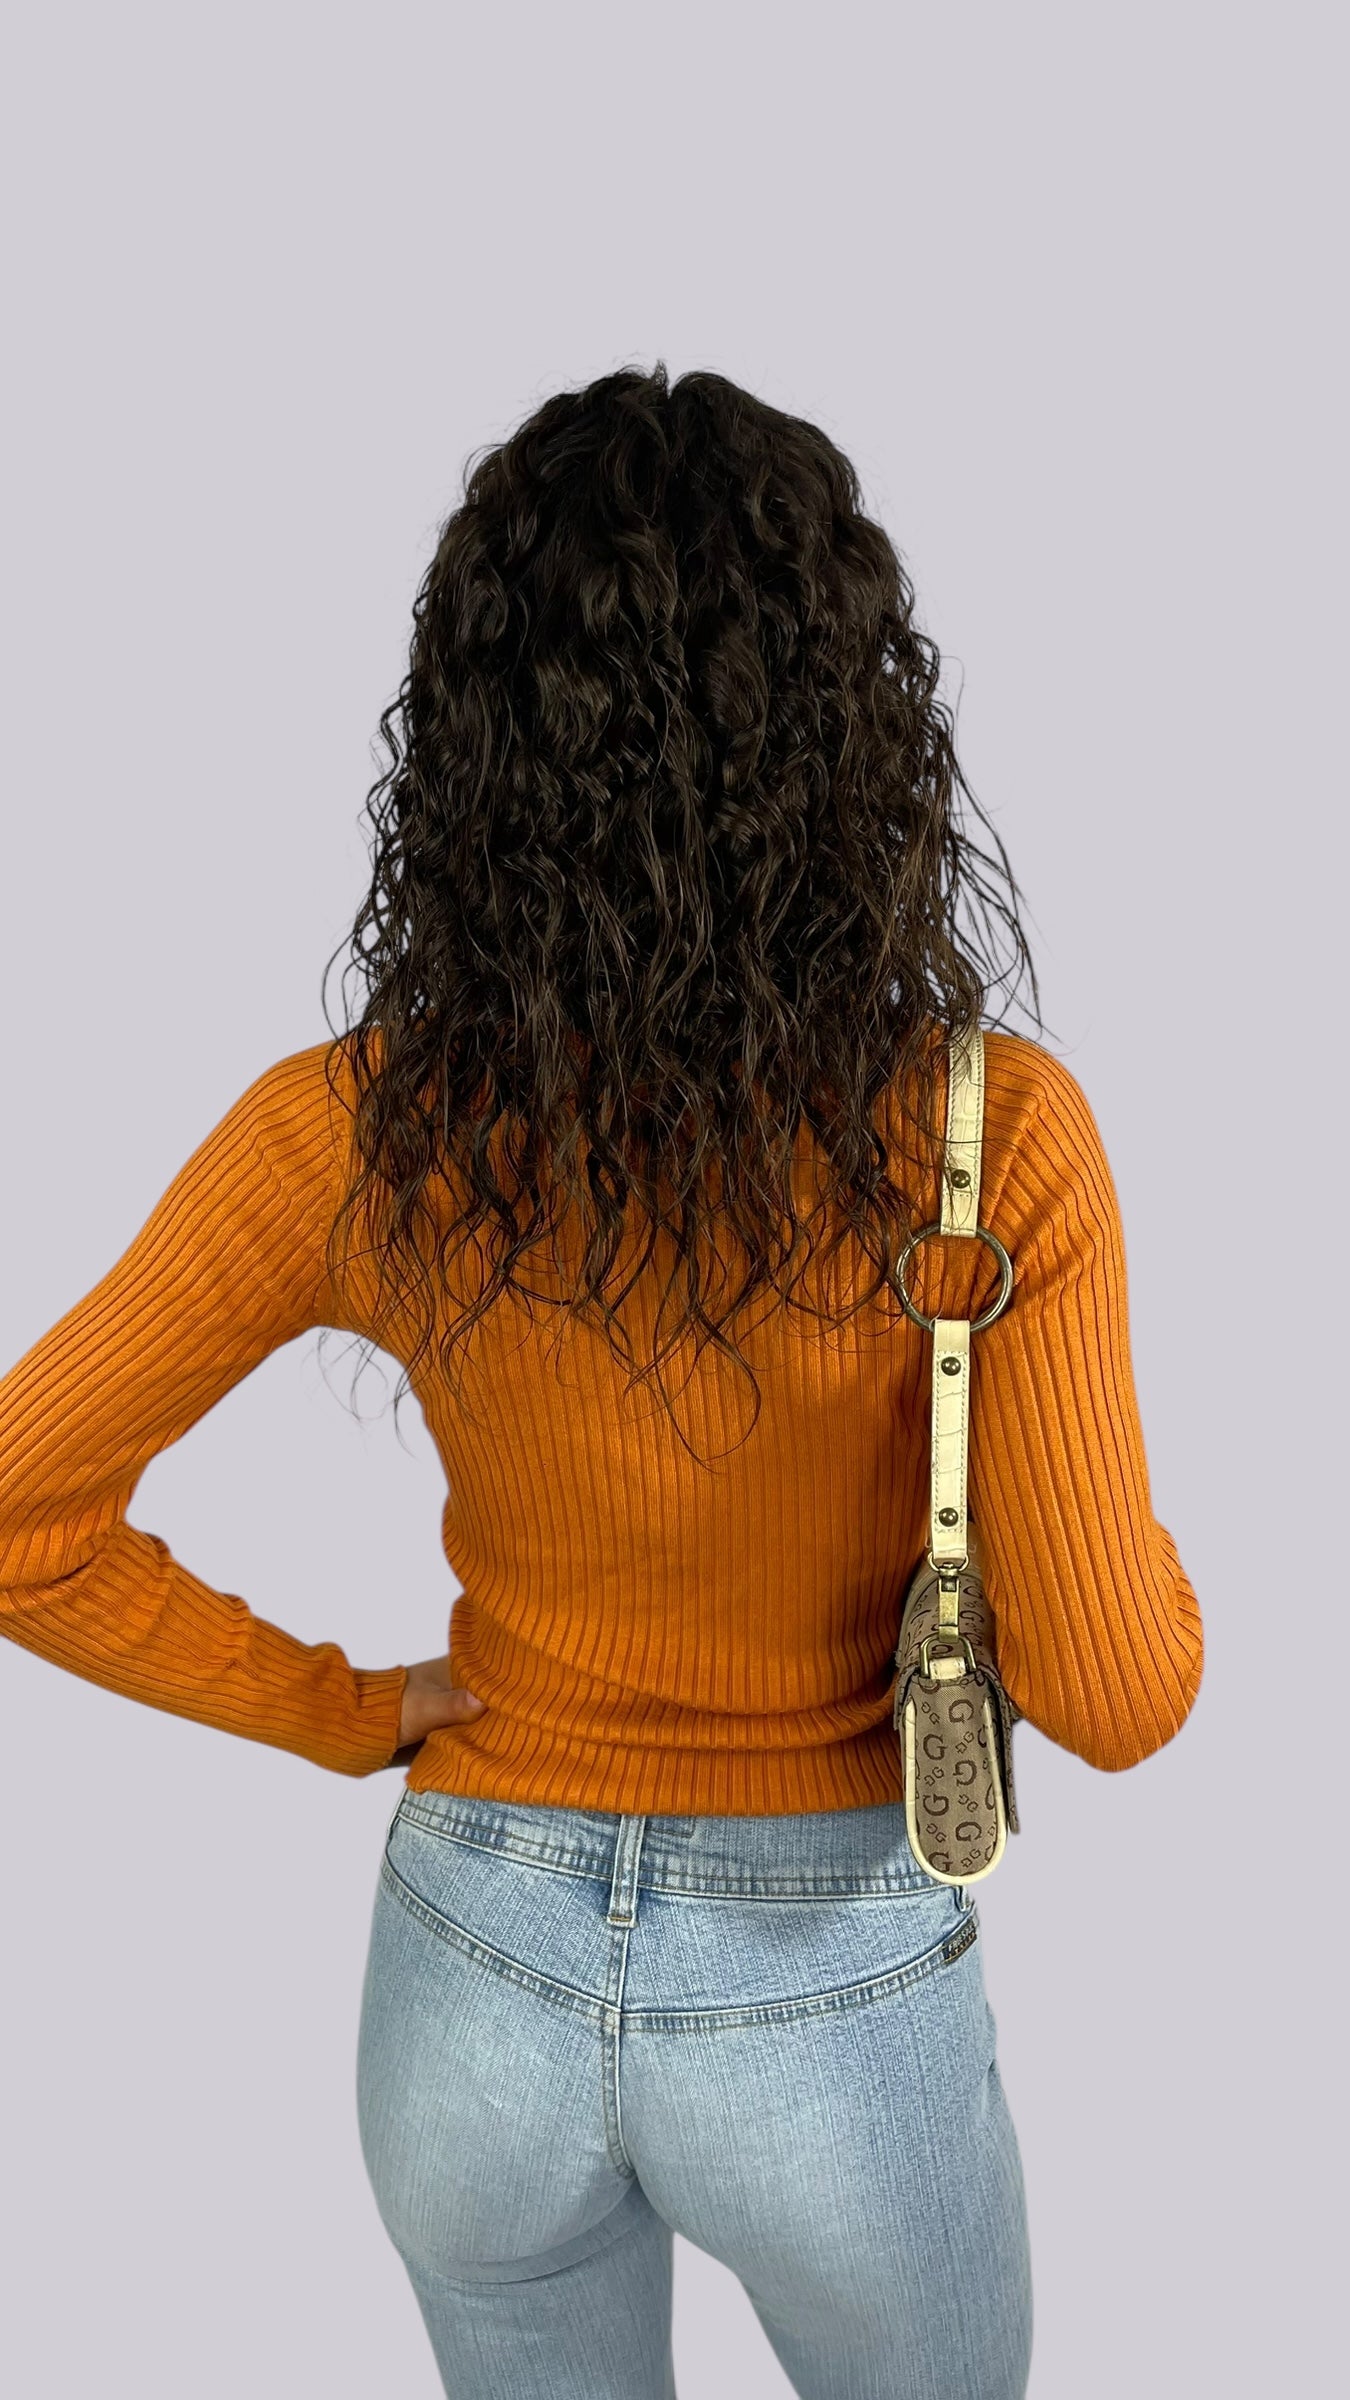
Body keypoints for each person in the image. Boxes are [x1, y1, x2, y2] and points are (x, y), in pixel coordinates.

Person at [0, 364, 1203, 2400]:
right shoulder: (990, 1144)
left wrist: (343, 1710)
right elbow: (1119, 1694)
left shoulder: (352, 1132)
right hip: (829, 1994)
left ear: (470, 753)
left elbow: (16, 1510)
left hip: (470, 1972)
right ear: (851, 735)